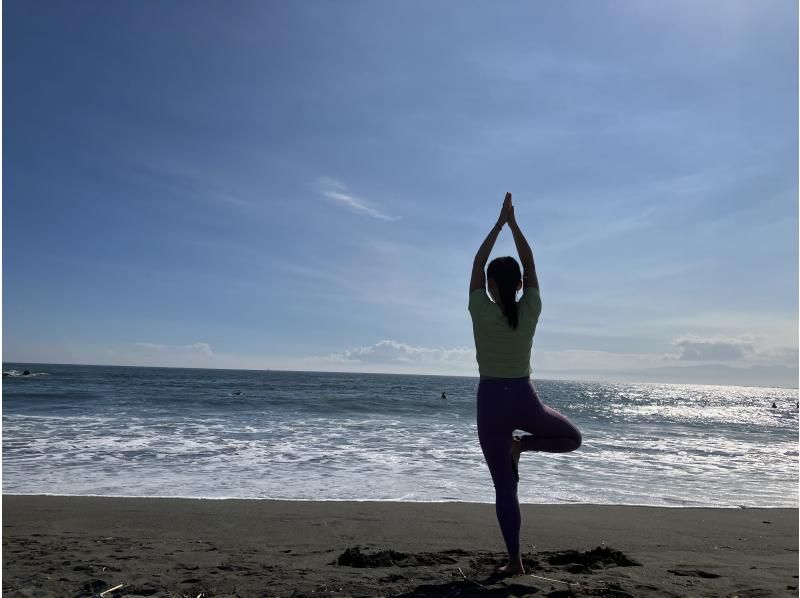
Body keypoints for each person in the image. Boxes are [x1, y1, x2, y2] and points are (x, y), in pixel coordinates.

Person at [469, 192, 582, 576]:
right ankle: (525, 446)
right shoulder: (531, 309)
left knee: (505, 488)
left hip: (490, 404)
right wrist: (515, 225)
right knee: (573, 438)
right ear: (520, 285)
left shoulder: (480, 309)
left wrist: (498, 225)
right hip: (523, 399)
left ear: (490, 286)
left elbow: (478, 262)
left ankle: (514, 561)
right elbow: (530, 263)